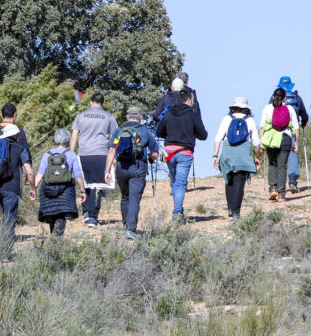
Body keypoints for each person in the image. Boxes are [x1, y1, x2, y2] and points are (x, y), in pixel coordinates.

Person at [0, 103, 36, 255]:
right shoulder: (19, 137)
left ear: (1, 115)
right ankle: (5, 252)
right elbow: (27, 161)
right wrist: (31, 182)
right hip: (12, 184)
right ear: (15, 115)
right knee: (9, 217)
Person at [104, 107, 163, 239]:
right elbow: (154, 153)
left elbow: (111, 151)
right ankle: (131, 230)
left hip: (121, 167)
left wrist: (107, 171)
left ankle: (126, 225)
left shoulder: (118, 131)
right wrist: (151, 158)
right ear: (140, 117)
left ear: (127, 117)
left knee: (125, 197)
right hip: (137, 167)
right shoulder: (145, 131)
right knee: (134, 198)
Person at [155, 88, 209, 222]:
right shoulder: (192, 115)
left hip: (169, 152)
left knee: (174, 182)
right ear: (189, 99)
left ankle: (178, 209)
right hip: (185, 152)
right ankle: (177, 212)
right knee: (180, 183)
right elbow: (203, 135)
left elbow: (158, 132)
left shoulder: (168, 113)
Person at [70, 92, 118, 227]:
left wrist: (71, 155)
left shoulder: (81, 115)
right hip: (102, 154)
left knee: (85, 183)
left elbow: (74, 137)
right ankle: (92, 216)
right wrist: (114, 156)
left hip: (84, 153)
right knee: (97, 185)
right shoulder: (108, 116)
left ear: (90, 102)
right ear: (102, 103)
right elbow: (114, 138)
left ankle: (86, 212)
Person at [212, 97, 262, 220]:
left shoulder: (226, 119)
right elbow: (256, 143)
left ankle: (230, 207)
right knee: (240, 182)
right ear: (246, 109)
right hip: (243, 153)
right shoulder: (249, 120)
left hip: (227, 151)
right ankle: (236, 212)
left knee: (229, 179)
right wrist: (257, 157)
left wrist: (215, 155)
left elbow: (218, 138)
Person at [35, 130, 86, 237]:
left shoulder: (47, 155)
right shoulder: (71, 155)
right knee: (61, 217)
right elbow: (78, 174)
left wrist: (33, 188)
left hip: (48, 191)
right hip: (65, 192)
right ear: (68, 141)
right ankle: (55, 244)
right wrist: (83, 190)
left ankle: (53, 244)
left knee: (52, 217)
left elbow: (40, 174)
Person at [259, 87, 300, 202]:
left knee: (272, 164)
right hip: (285, 138)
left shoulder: (267, 108)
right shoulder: (290, 108)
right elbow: (296, 128)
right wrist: (295, 142)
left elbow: (262, 127)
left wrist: (261, 143)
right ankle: (281, 194)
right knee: (282, 166)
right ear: (284, 98)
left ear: (273, 97)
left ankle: (273, 189)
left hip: (271, 139)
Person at [270, 76, 310, 193]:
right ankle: (292, 182)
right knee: (293, 154)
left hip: (276, 131)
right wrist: (303, 123)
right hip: (292, 130)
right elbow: (305, 115)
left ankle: (275, 185)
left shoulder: (273, 98)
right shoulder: (296, 98)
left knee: (277, 157)